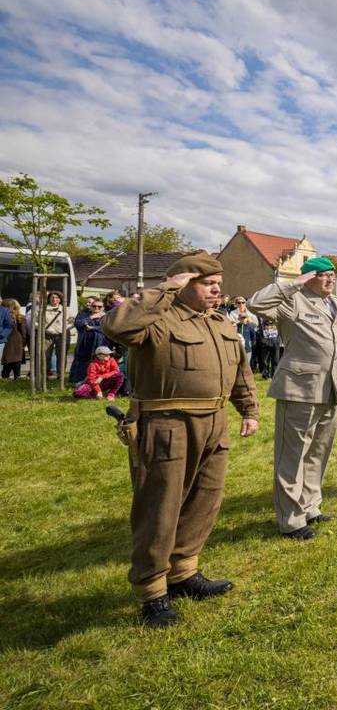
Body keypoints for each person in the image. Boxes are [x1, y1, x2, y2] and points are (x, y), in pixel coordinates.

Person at [101, 252, 259, 628]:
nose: (216, 288)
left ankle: (183, 573)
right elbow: (115, 326)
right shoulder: (156, 320)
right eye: (206, 282)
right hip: (166, 423)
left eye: (218, 282)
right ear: (182, 284)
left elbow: (240, 370)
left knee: (204, 500)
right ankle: (152, 592)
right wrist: (161, 291)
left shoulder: (220, 323)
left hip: (214, 422)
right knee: (161, 506)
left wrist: (249, 410)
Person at [248, 256, 337, 541]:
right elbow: (256, 303)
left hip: (331, 387)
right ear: (308, 277)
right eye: (323, 275)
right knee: (292, 455)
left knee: (319, 451)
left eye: (333, 274)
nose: (330, 279)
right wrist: (293, 284)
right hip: (299, 388)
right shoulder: (293, 300)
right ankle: (291, 519)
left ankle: (310, 506)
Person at [70, 297, 107, 384]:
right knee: (83, 362)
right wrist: (92, 317)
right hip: (84, 343)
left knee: (100, 362)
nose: (97, 308)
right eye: (94, 306)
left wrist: (93, 328)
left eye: (99, 307)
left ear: (103, 308)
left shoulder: (107, 316)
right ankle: (80, 381)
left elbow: (109, 328)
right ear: (90, 307)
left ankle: (99, 382)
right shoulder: (83, 314)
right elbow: (78, 324)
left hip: (101, 342)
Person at [41, 290, 68, 378]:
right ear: (49, 299)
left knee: (61, 355)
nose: (54, 299)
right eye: (52, 297)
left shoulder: (65, 309)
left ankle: (61, 375)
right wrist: (45, 329)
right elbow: (36, 322)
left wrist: (63, 328)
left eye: (57, 298)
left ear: (60, 299)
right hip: (47, 335)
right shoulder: (43, 309)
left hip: (61, 335)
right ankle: (45, 374)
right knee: (46, 355)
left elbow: (71, 321)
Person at [2, 298, 27, 378]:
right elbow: (23, 332)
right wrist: (23, 342)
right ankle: (17, 379)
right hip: (18, 342)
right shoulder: (21, 317)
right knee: (17, 363)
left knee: (6, 365)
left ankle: (5, 380)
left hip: (6, 341)